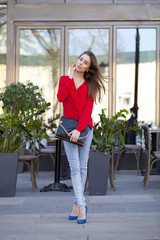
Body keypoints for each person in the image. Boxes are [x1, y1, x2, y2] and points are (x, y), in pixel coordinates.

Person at [57, 51, 105, 224]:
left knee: (83, 167)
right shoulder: (64, 79)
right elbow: (61, 98)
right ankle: (83, 207)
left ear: (88, 68)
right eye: (80, 59)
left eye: (85, 62)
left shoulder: (89, 84)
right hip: (67, 129)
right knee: (75, 167)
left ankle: (76, 205)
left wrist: (79, 130)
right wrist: (70, 78)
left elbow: (87, 111)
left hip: (85, 129)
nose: (80, 63)